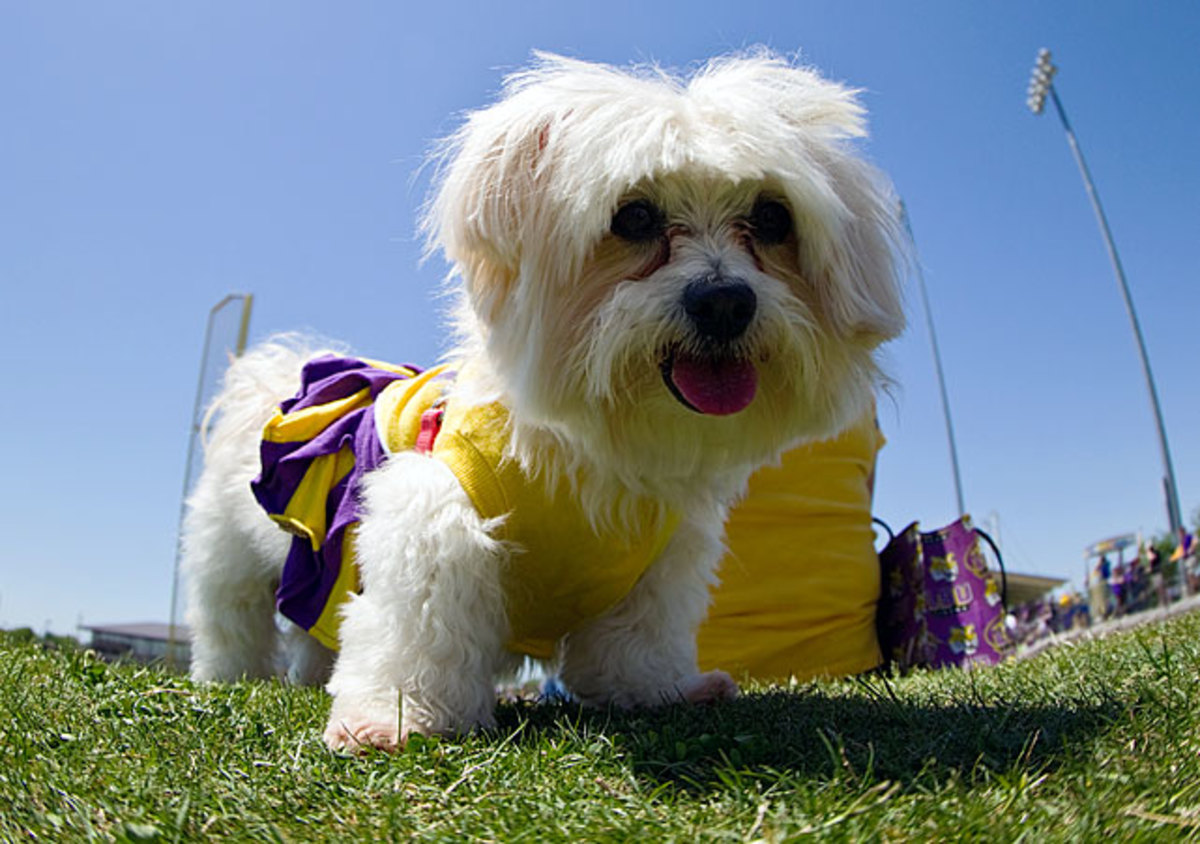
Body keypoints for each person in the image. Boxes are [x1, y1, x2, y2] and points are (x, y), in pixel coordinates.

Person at [697, 406, 884, 682]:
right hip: (852, 657)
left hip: (706, 667)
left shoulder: (692, 384)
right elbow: (863, 504)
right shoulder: (860, 394)